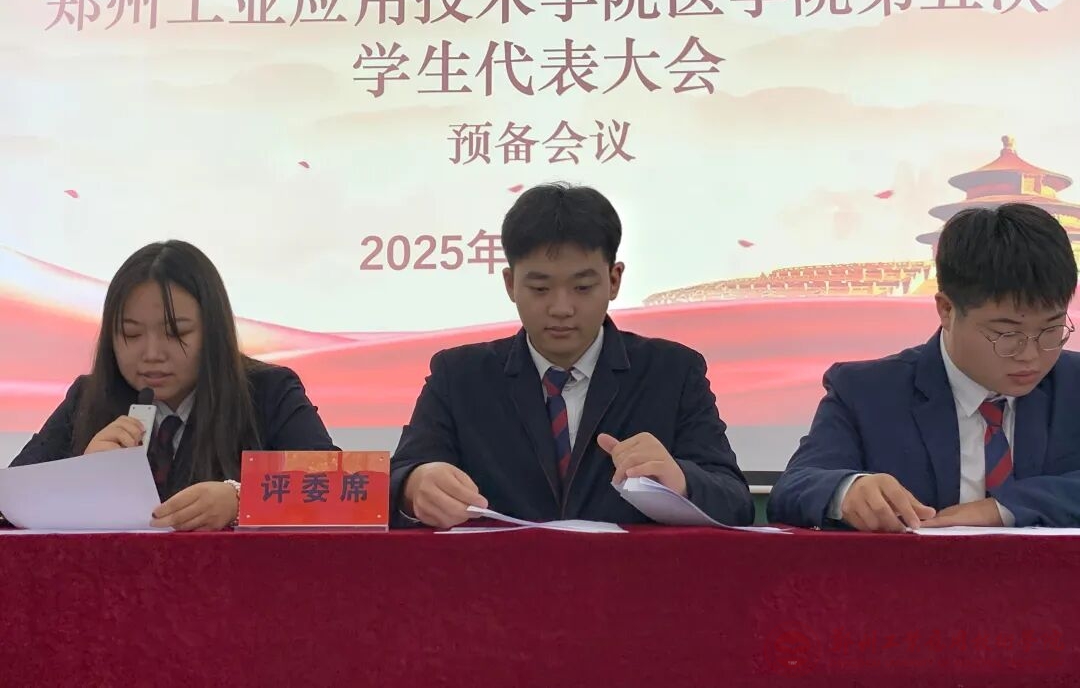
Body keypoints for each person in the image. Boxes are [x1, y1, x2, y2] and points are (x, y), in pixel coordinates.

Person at [390, 183, 752, 529]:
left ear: (614, 280)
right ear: (510, 284)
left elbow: (736, 502)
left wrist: (681, 482)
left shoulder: (672, 372)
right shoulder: (459, 377)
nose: (561, 308)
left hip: (629, 571)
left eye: (582, 287)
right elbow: (393, 484)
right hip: (494, 571)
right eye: (540, 288)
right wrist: (413, 486)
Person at [768, 203, 1080, 531]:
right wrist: (847, 490)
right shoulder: (865, 392)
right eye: (1007, 334)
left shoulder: (1073, 384)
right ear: (946, 310)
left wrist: (1003, 508)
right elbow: (793, 490)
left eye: (1051, 329)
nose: (1031, 355)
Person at [9, 240, 337, 530]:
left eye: (176, 333)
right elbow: (10, 499)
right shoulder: (87, 398)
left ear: (213, 331)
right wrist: (79, 477)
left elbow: (337, 487)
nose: (152, 354)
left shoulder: (269, 391)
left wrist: (242, 500)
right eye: (132, 334)